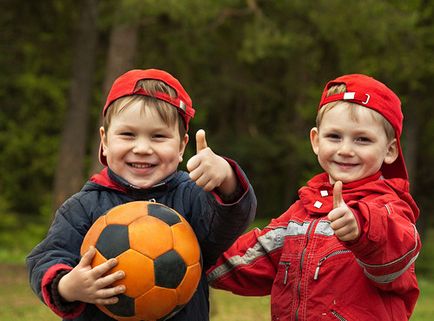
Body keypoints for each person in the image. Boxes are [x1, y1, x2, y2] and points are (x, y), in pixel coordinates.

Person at [26, 68, 257, 321]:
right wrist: (68, 286)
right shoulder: (83, 207)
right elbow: (46, 258)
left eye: (158, 137)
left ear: (181, 146)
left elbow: (228, 222)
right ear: (104, 141)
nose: (142, 148)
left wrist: (226, 177)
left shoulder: (192, 196)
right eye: (127, 134)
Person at [207, 74, 421, 321]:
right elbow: (249, 260)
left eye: (363, 139)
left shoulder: (390, 207)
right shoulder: (302, 212)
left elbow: (397, 254)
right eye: (334, 137)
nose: (345, 150)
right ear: (316, 141)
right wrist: (196, 256)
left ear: (390, 150)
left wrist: (361, 228)